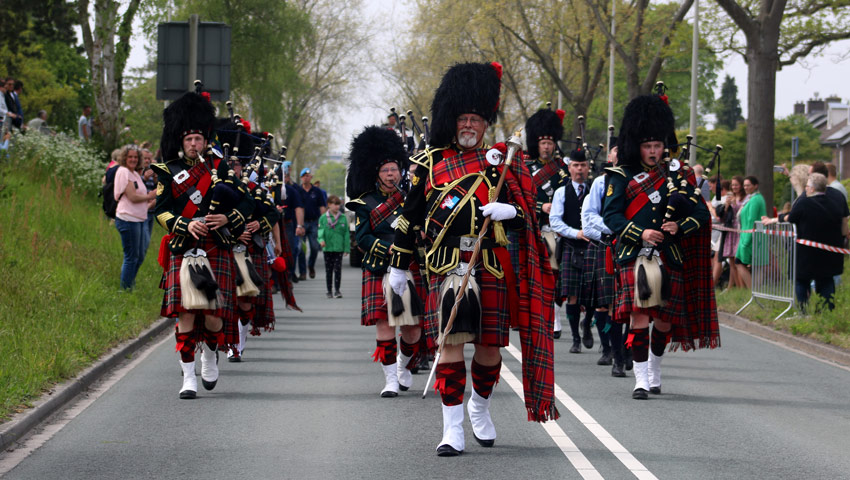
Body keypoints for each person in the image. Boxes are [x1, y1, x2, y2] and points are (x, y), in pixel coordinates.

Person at [388, 62, 558, 455]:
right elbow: (408, 215)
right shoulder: (429, 162)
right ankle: (452, 429)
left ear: (485, 124)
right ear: (452, 120)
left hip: (489, 261)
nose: (469, 125)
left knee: (489, 349)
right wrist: (397, 265)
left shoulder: (500, 162)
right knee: (450, 344)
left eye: (476, 120)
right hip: (444, 262)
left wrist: (509, 212)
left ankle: (479, 406)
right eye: (463, 118)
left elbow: (529, 214)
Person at [602, 94, 718, 400]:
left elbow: (701, 214)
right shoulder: (621, 176)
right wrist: (641, 233)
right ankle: (640, 379)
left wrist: (680, 226)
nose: (653, 151)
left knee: (664, 321)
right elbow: (611, 216)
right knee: (639, 316)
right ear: (636, 146)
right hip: (633, 253)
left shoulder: (677, 176)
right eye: (647, 146)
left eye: (657, 145)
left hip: (669, 255)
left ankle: (654, 367)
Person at [151, 89, 253, 399]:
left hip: (215, 244)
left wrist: (227, 218)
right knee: (185, 314)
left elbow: (247, 203)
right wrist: (185, 224)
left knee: (212, 314)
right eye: (189, 139)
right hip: (184, 245)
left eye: (198, 138)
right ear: (180, 142)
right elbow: (161, 211)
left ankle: (209, 355)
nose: (194, 144)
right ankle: (188, 377)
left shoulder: (220, 169)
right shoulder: (167, 171)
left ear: (206, 140)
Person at [346, 125, 423, 398]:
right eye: (385, 170)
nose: (391, 174)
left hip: (410, 266)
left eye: (394, 169)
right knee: (385, 324)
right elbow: (362, 238)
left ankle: (403, 363)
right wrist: (389, 249)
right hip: (379, 267)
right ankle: (390, 380)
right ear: (376, 174)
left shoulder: (413, 199)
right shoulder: (364, 203)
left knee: (413, 329)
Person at [764, 173, 848, 311]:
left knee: (801, 280)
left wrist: (774, 219)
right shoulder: (836, 201)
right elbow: (844, 224)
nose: (806, 189)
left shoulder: (804, 203)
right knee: (826, 280)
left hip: (807, 253)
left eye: (807, 186)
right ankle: (826, 310)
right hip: (831, 251)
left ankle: (803, 310)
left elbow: (790, 218)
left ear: (812, 188)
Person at [518, 107, 568, 338]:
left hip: (555, 231)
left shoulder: (563, 170)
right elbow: (519, 198)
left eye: (550, 142)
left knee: (554, 275)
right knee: (531, 276)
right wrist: (541, 207)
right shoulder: (526, 168)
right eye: (543, 143)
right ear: (535, 144)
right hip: (531, 229)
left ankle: (554, 315)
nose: (547, 147)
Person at [582, 142, 626, 375]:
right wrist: (616, 228)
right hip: (609, 245)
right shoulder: (602, 182)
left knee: (631, 305)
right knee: (607, 303)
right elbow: (590, 216)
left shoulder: (640, 179)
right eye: (617, 151)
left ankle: (627, 348)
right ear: (611, 156)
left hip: (636, 245)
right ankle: (612, 352)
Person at [550, 148, 594, 354]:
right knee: (572, 295)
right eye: (576, 165)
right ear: (569, 168)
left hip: (593, 247)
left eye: (583, 165)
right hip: (570, 246)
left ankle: (587, 324)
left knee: (592, 294)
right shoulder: (561, 192)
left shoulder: (595, 190)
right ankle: (576, 338)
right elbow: (555, 221)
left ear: (588, 167)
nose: (579, 169)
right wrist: (576, 233)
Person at [113, 144, 156, 289]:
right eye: (130, 157)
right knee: (131, 256)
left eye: (135, 157)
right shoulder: (124, 171)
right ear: (124, 158)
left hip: (139, 218)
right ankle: (125, 289)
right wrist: (150, 196)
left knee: (140, 255)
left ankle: (129, 282)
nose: (133, 159)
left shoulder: (134, 173)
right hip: (128, 218)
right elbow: (132, 197)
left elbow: (139, 193)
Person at [735, 175, 767, 290]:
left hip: (751, 237)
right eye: (744, 185)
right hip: (749, 236)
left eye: (748, 185)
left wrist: (746, 240)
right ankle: (754, 291)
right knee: (755, 265)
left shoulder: (755, 199)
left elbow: (751, 220)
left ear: (755, 186)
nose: (746, 187)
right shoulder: (752, 198)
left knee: (741, 262)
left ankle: (753, 290)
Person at [295, 167, 327, 280]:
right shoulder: (298, 191)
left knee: (314, 247)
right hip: (302, 223)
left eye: (308, 176)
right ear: (301, 178)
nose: (306, 178)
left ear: (311, 177)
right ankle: (303, 272)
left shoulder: (317, 191)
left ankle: (311, 265)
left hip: (314, 222)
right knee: (301, 249)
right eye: (304, 176)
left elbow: (322, 207)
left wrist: (324, 222)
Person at [716, 176, 745, 288]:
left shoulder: (744, 198)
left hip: (739, 232)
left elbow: (741, 214)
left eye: (736, 185)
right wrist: (726, 207)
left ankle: (742, 287)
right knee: (732, 262)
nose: (734, 187)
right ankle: (738, 287)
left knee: (738, 261)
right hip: (730, 232)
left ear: (741, 185)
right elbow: (723, 218)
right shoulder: (730, 197)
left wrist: (735, 204)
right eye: (732, 185)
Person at [318, 194, 349, 298]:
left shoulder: (343, 218)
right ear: (329, 204)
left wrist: (346, 248)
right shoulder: (323, 218)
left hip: (338, 248)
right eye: (335, 204)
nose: (337, 207)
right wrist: (321, 240)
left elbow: (346, 234)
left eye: (338, 204)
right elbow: (320, 231)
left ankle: (337, 290)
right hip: (328, 248)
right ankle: (329, 290)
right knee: (329, 270)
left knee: (338, 270)